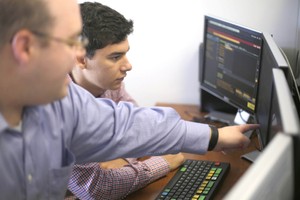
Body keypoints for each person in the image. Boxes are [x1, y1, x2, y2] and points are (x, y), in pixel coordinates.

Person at [0, 0, 258, 199]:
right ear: (25, 48)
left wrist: (216, 137)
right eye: (70, 44)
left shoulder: (58, 101)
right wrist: (161, 161)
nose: (77, 58)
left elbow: (124, 127)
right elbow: (98, 186)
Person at [66, 2, 185, 199]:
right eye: (115, 57)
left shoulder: (109, 81)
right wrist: (162, 163)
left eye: (126, 53)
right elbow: (98, 190)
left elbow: (137, 132)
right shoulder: (57, 106)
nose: (128, 65)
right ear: (81, 60)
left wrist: (117, 158)